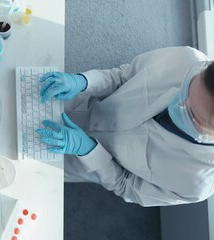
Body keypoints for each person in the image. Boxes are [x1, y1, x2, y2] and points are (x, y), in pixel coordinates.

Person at [36, 46, 214, 206]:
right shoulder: (186, 59)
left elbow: (125, 185)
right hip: (82, 101)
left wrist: (87, 151)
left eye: (191, 113)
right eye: (187, 87)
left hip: (85, 161)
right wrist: (83, 82)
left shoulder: (196, 183)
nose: (179, 103)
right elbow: (123, 76)